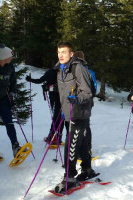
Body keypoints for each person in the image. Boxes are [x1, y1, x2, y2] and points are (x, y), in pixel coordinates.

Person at [54, 42, 98, 193]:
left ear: (71, 54)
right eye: (59, 52)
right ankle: (87, 169)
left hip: (79, 112)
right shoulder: (61, 69)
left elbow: (87, 93)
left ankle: (70, 177)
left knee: (71, 144)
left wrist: (77, 98)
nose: (61, 55)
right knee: (81, 144)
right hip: (68, 112)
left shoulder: (78, 68)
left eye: (64, 52)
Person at [25, 69, 64, 144]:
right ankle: (58, 136)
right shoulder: (64, 71)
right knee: (60, 116)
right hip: (63, 97)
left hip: (54, 97)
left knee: (56, 116)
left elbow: (40, 80)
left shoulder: (50, 71)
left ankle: (53, 137)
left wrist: (30, 80)